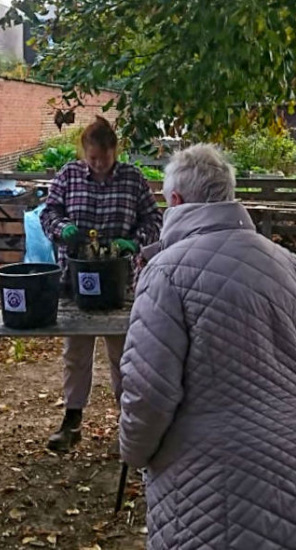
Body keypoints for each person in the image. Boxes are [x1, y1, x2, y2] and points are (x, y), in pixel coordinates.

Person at [120, 143, 296, 549]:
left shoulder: (166, 272)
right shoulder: (287, 262)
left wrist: (133, 451)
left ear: (176, 201)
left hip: (202, 480)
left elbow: (148, 391)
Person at [40, 116, 162, 452]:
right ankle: (72, 418)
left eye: (104, 159)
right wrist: (60, 228)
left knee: (123, 353)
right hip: (75, 278)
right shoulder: (68, 175)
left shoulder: (133, 179)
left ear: (115, 152)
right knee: (75, 351)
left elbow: (154, 219)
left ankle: (129, 420)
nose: (97, 165)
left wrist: (134, 242)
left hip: (119, 282)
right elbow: (48, 213)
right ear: (83, 152)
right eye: (91, 158)